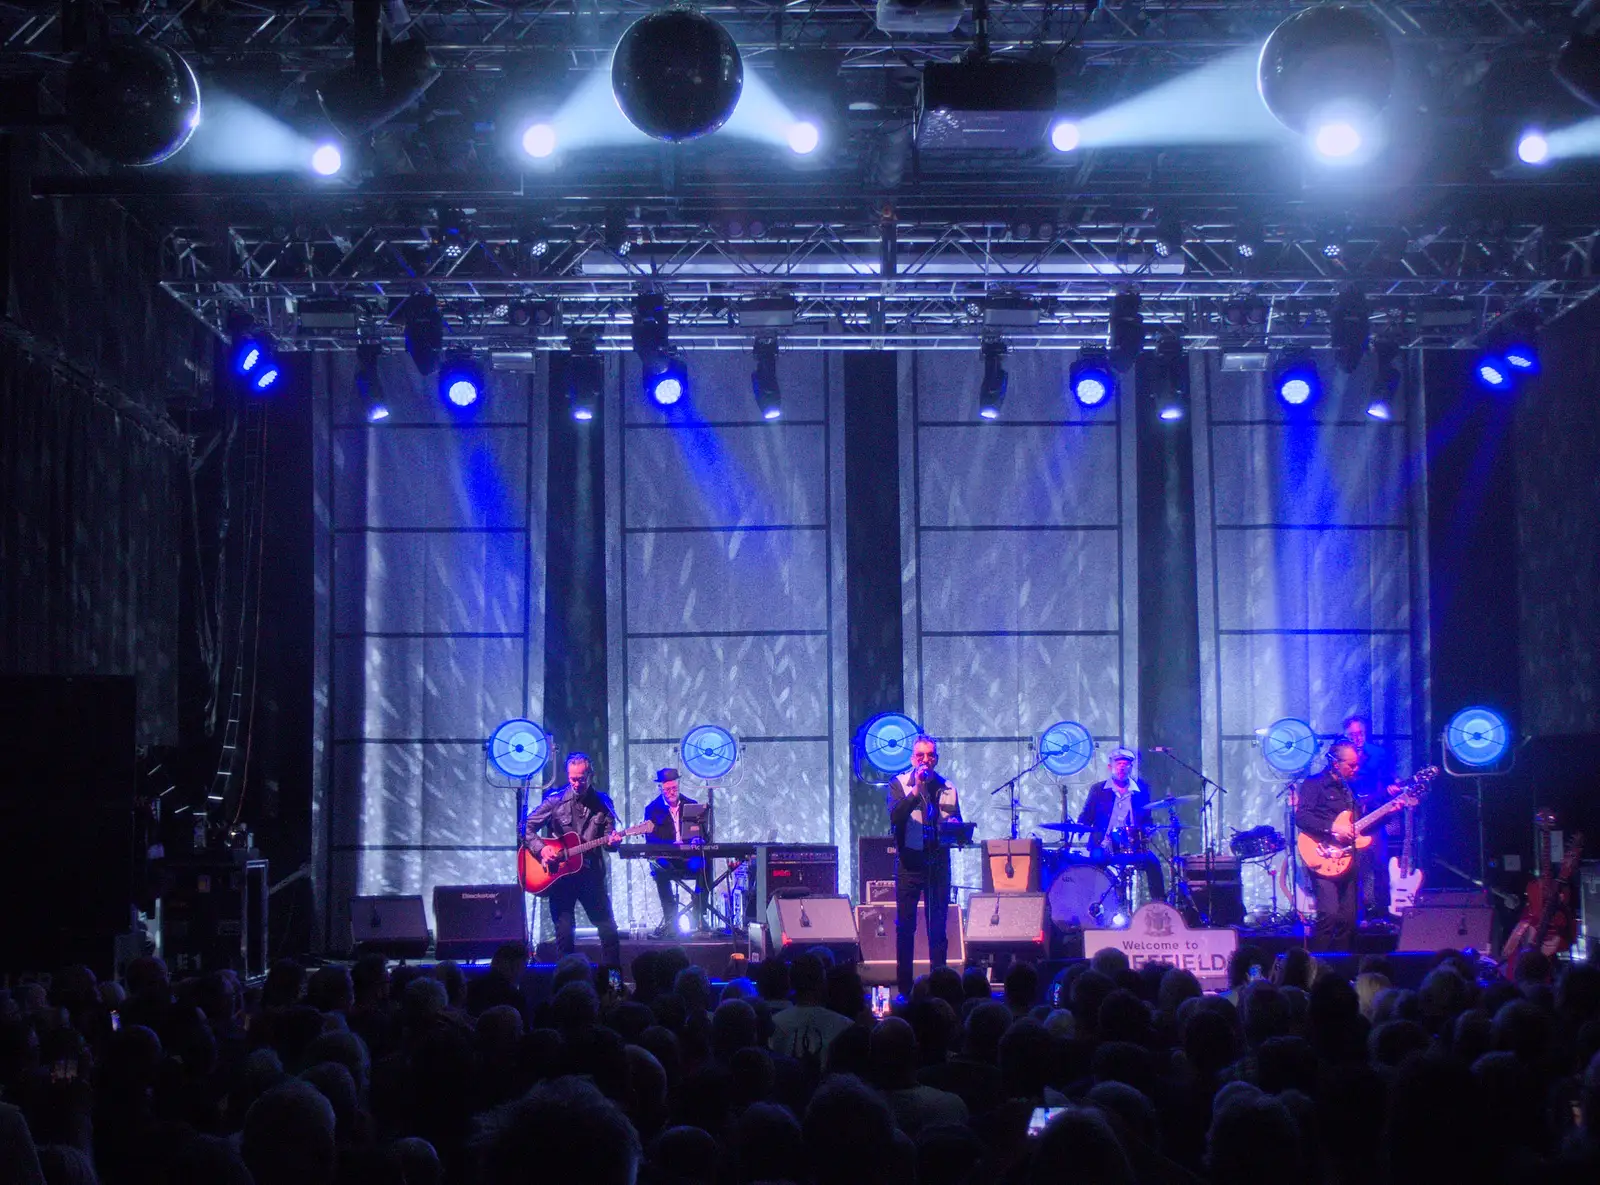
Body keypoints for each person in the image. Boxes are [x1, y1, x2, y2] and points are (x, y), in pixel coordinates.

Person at [524, 752, 624, 967]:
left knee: (609, 934)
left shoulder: (603, 803)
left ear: (591, 775)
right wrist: (542, 850)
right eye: (573, 779)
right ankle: (566, 987)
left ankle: (614, 988)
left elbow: (608, 841)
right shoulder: (555, 801)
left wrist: (613, 842)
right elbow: (526, 827)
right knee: (565, 938)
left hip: (591, 878)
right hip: (561, 879)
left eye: (581, 778)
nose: (577, 783)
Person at [886, 734, 964, 998]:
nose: (925, 760)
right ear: (912, 758)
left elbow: (957, 822)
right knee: (905, 928)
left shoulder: (947, 786)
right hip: (910, 863)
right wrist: (916, 790)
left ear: (936, 758)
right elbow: (895, 817)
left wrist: (956, 828)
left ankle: (940, 989)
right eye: (920, 755)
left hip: (938, 863)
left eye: (930, 755)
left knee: (938, 928)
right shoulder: (899, 783)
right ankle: (905, 990)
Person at [1296, 740, 1363, 951]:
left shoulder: (1351, 789)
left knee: (1349, 919)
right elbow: (1302, 818)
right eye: (1351, 765)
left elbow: (1361, 825)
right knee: (1329, 914)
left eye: (1356, 764)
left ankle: (1342, 970)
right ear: (1335, 763)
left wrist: (1390, 811)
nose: (1355, 769)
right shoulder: (1314, 784)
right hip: (1321, 853)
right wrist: (1332, 829)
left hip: (1347, 858)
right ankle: (1316, 969)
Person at [1076, 748, 1165, 904]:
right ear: (1111, 767)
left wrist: (1148, 829)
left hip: (1132, 846)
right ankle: (1095, 904)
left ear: (1131, 767)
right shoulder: (1098, 790)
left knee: (1153, 863)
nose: (1122, 767)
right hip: (1103, 845)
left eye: (1126, 764)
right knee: (1095, 862)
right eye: (1118, 764)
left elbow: (1146, 818)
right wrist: (1079, 827)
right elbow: (1087, 815)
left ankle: (1159, 905)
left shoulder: (1141, 790)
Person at [1342, 714, 1402, 919]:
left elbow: (1389, 781)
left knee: (1378, 863)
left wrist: (1393, 788)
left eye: (1360, 734)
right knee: (1353, 867)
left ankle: (1382, 911)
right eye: (1352, 734)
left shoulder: (1378, 754)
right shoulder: (1340, 757)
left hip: (1375, 817)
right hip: (1349, 819)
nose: (1357, 738)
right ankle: (1356, 910)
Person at [642, 767, 710, 938]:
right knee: (660, 867)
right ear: (660, 788)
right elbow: (650, 841)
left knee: (704, 864)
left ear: (679, 786)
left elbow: (705, 836)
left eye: (674, 788)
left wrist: (699, 839)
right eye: (667, 789)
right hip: (667, 858)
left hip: (687, 858)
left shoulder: (692, 805)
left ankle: (698, 914)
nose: (671, 792)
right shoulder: (651, 809)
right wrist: (672, 845)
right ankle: (671, 919)